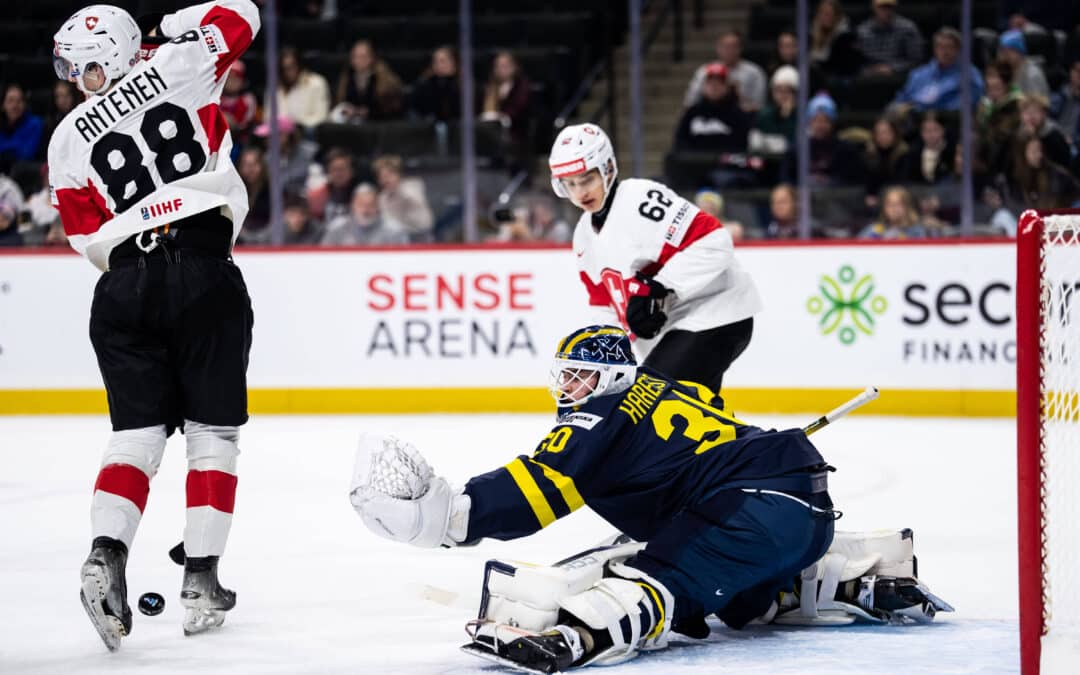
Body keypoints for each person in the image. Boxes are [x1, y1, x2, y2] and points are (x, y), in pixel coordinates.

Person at [349, 326, 953, 672]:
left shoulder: (600, 415)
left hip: (752, 509)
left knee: (645, 575)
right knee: (723, 590)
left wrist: (459, 517)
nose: (569, 388)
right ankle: (836, 584)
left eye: (578, 376)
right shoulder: (669, 387)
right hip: (801, 501)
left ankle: (581, 635)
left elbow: (543, 483)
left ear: (609, 379)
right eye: (565, 375)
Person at [47, 1, 260, 649]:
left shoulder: (65, 138)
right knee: (212, 432)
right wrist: (169, 26)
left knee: (135, 436)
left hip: (122, 284)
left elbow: (86, 236)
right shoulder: (180, 62)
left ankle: (104, 554)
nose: (73, 76)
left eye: (79, 65)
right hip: (201, 260)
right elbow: (243, 13)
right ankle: (201, 579)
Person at [549, 123, 761, 394]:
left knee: (654, 401)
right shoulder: (583, 237)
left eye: (587, 179)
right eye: (571, 184)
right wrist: (606, 355)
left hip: (717, 312)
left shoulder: (640, 198)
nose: (581, 193)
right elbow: (605, 305)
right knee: (676, 417)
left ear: (609, 169)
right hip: (679, 329)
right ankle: (732, 437)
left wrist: (659, 287)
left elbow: (714, 242)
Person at [891, 27, 985, 112]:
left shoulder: (970, 73)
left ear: (957, 49)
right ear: (935, 49)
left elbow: (972, 99)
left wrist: (934, 109)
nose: (945, 52)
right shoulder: (919, 74)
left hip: (952, 121)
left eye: (949, 47)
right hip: (916, 121)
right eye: (940, 46)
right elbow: (902, 99)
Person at [684, 30, 767, 112]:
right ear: (718, 48)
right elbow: (690, 102)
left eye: (734, 46)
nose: (729, 51)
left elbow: (759, 105)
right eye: (725, 46)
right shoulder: (705, 71)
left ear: (741, 48)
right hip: (710, 116)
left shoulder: (754, 72)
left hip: (743, 117)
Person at [332, 40, 404, 123]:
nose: (358, 60)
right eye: (355, 56)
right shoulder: (346, 78)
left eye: (362, 56)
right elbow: (339, 102)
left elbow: (393, 107)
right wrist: (347, 110)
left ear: (371, 58)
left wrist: (369, 112)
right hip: (352, 124)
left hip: (379, 124)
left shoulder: (385, 79)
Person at [855, 0, 923, 77]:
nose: (886, 11)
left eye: (889, 7)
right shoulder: (862, 31)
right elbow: (857, 62)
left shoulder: (908, 29)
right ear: (873, 7)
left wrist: (892, 68)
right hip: (868, 79)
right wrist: (869, 70)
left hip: (899, 78)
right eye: (882, 7)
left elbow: (916, 61)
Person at [271, 46, 330, 130]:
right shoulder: (275, 86)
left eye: (291, 67)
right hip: (278, 132)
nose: (287, 72)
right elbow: (269, 117)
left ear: (299, 65)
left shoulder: (317, 83)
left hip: (306, 131)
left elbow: (321, 116)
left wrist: (296, 125)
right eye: (283, 68)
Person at [997, 29, 1050, 99]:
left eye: (1010, 51)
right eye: (1003, 52)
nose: (1005, 56)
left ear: (1020, 52)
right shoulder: (1005, 70)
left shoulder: (1032, 74)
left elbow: (1036, 104)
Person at [0, 83, 45, 162]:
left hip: (24, 171)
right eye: (10, 101)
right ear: (3, 105)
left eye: (19, 101)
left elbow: (27, 154)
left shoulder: (35, 124)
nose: (15, 106)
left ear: (25, 105)